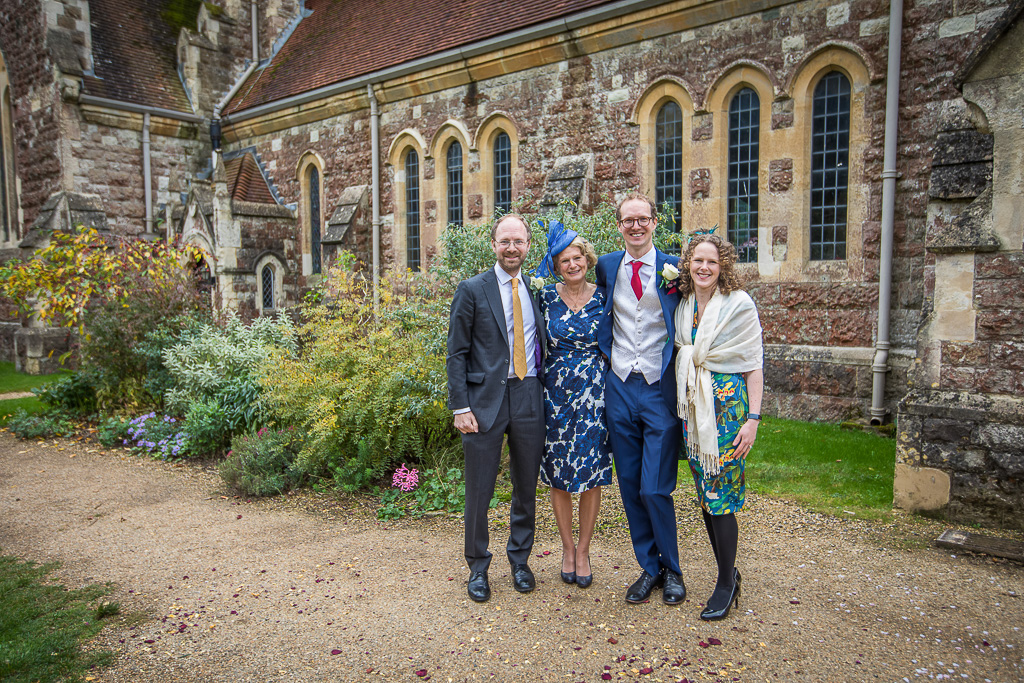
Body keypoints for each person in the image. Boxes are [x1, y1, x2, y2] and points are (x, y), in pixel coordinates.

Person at [446, 213, 546, 603]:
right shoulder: (472, 289)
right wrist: (460, 406)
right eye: (505, 241)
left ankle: (520, 561)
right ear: (493, 245)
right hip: (483, 401)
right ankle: (477, 567)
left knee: (525, 486)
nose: (511, 248)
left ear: (528, 245)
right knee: (479, 489)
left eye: (518, 241)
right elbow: (457, 352)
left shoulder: (537, 288)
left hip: (529, 394)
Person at [595, 192, 686, 605]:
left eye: (642, 219)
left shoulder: (675, 269)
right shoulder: (607, 265)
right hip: (618, 385)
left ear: (654, 222)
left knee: (654, 488)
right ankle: (649, 568)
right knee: (631, 485)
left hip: (657, 387)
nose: (636, 226)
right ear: (619, 225)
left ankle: (673, 570)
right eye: (628, 220)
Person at [673, 231, 763, 621]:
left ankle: (726, 582)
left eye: (712, 261)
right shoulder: (684, 305)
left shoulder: (738, 304)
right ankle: (729, 572)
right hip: (696, 415)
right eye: (698, 260)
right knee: (707, 496)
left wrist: (753, 420)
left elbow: (754, 364)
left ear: (722, 265)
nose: (704, 267)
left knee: (721, 498)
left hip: (727, 415)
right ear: (688, 265)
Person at [533, 221, 611, 589]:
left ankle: (584, 550)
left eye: (577, 258)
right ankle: (566, 549)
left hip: (595, 395)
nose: (572, 264)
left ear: (587, 259)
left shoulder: (604, 296)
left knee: (592, 475)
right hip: (556, 396)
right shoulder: (545, 296)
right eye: (564, 260)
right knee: (559, 475)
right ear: (556, 266)